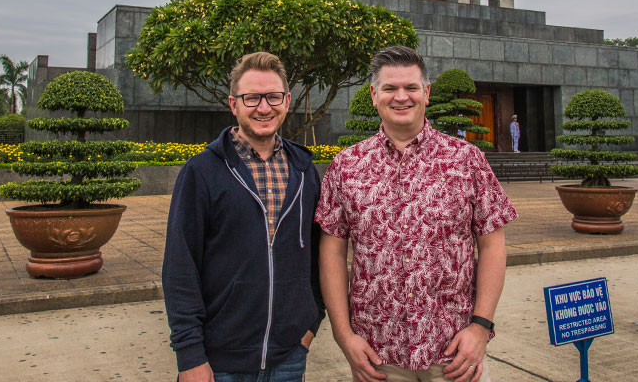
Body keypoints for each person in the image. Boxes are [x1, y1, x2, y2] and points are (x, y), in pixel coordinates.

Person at [316, 46, 517, 382]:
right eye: (390, 88)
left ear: (426, 92)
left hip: (453, 353)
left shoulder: (466, 160)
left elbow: (493, 245)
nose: (401, 97)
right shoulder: (347, 167)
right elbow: (332, 252)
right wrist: (343, 335)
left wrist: (481, 327)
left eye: (410, 87)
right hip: (377, 356)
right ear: (373, 94)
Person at [162, 52, 325, 382]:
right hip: (218, 360)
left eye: (273, 97)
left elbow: (320, 256)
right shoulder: (202, 172)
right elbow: (180, 266)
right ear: (233, 104)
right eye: (252, 98)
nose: (264, 108)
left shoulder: (304, 170)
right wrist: (189, 355)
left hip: (290, 355)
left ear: (287, 100)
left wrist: (311, 323)